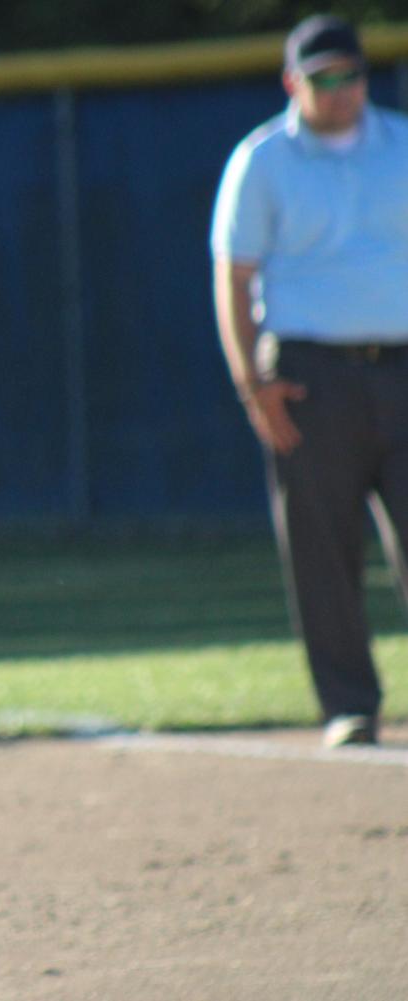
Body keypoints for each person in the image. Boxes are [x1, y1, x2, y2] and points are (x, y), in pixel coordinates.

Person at [211, 14, 408, 748]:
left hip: (402, 362)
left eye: (349, 75)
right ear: (293, 82)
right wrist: (248, 382)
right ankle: (348, 705)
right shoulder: (263, 161)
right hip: (310, 376)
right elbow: (232, 276)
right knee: (321, 547)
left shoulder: (400, 144)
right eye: (322, 78)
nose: (339, 91)